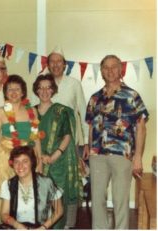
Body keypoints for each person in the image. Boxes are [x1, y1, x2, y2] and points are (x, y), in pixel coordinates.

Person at [85, 55, 149, 229]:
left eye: (114, 66)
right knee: (97, 199)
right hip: (97, 155)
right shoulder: (94, 98)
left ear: (121, 69)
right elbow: (91, 128)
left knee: (121, 201)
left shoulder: (132, 95)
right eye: (106, 67)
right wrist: (90, 151)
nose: (110, 70)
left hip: (123, 155)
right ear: (102, 71)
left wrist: (138, 157)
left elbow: (141, 128)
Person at [0, 74, 43, 220]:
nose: (13, 93)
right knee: (4, 194)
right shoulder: (0, 112)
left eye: (17, 89)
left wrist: (40, 161)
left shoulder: (32, 112)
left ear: (23, 92)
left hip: (26, 159)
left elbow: (36, 139)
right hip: (4, 158)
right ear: (5, 93)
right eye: (10, 89)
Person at [46, 46, 89, 228]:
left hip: (71, 143)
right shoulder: (43, 84)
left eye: (59, 61)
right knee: (50, 182)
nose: (55, 65)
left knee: (71, 181)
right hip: (47, 143)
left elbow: (84, 113)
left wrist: (86, 141)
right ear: (48, 65)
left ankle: (69, 224)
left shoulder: (73, 84)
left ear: (64, 65)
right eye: (52, 61)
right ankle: (50, 221)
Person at [33, 73, 82, 229]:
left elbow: (67, 136)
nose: (45, 91)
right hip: (36, 161)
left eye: (48, 87)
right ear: (36, 90)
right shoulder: (29, 111)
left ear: (53, 90)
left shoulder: (61, 111)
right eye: (41, 88)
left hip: (57, 163)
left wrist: (54, 156)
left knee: (56, 202)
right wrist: (38, 159)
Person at [0, 145, 63, 229]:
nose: (20, 166)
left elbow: (59, 211)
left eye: (25, 161)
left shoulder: (46, 183)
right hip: (17, 227)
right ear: (12, 164)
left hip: (41, 227)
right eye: (16, 162)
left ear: (32, 162)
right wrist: (17, 225)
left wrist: (43, 228)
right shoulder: (8, 185)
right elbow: (4, 214)